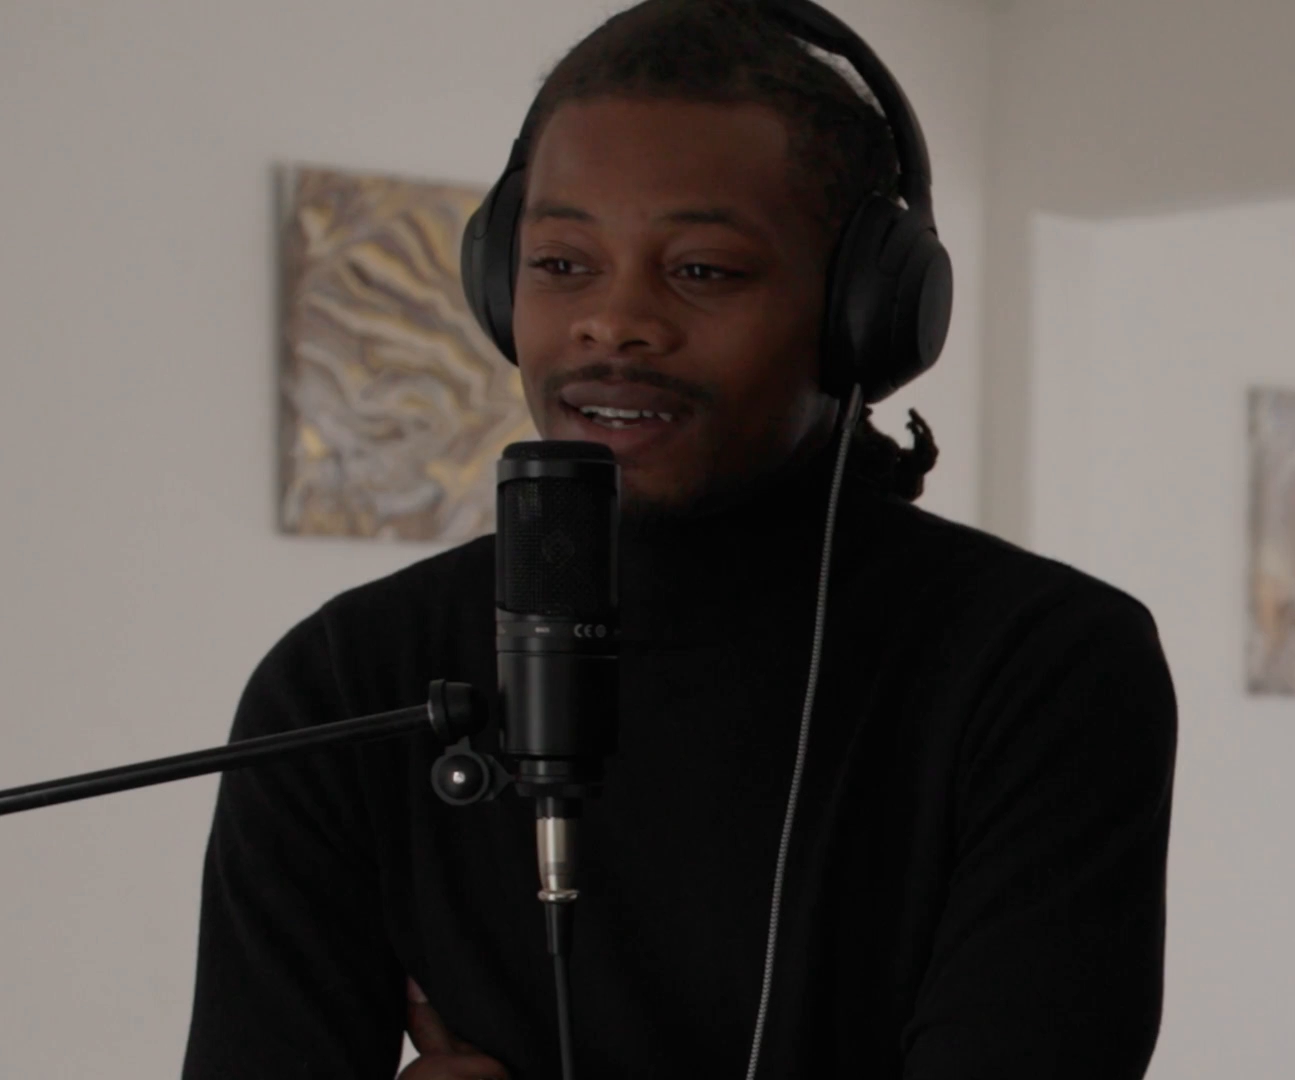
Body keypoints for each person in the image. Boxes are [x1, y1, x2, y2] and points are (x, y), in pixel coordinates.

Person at [182, 2, 1177, 1077]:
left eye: (702, 270)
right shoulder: (344, 683)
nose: (615, 322)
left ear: (863, 311)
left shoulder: (1042, 669)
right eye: (561, 263)